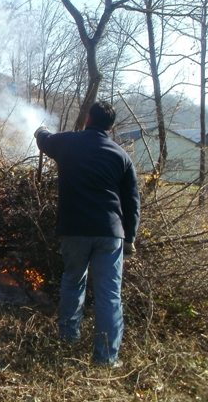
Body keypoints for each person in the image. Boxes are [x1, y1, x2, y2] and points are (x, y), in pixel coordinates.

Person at [34, 101, 140, 367]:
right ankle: (105, 358)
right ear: (111, 127)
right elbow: (132, 202)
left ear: (88, 120)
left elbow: (45, 140)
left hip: (74, 229)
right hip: (110, 232)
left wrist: (40, 130)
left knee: (73, 282)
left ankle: (67, 339)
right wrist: (130, 238)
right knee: (109, 295)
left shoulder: (69, 142)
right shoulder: (121, 156)